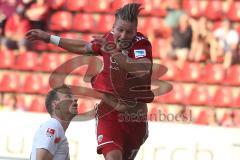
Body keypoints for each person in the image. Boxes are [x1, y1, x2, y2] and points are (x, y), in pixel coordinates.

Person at [26, 3, 154, 160]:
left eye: (129, 32)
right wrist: (49, 38)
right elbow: (85, 47)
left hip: (134, 117)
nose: (123, 35)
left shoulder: (141, 44)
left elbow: (142, 70)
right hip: (109, 113)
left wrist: (114, 53)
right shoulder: (108, 39)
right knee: (113, 157)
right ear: (113, 26)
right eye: (119, 30)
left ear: (136, 31)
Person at [30, 85, 78, 160]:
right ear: (56, 105)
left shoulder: (58, 130)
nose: (76, 99)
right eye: (68, 97)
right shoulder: (53, 126)